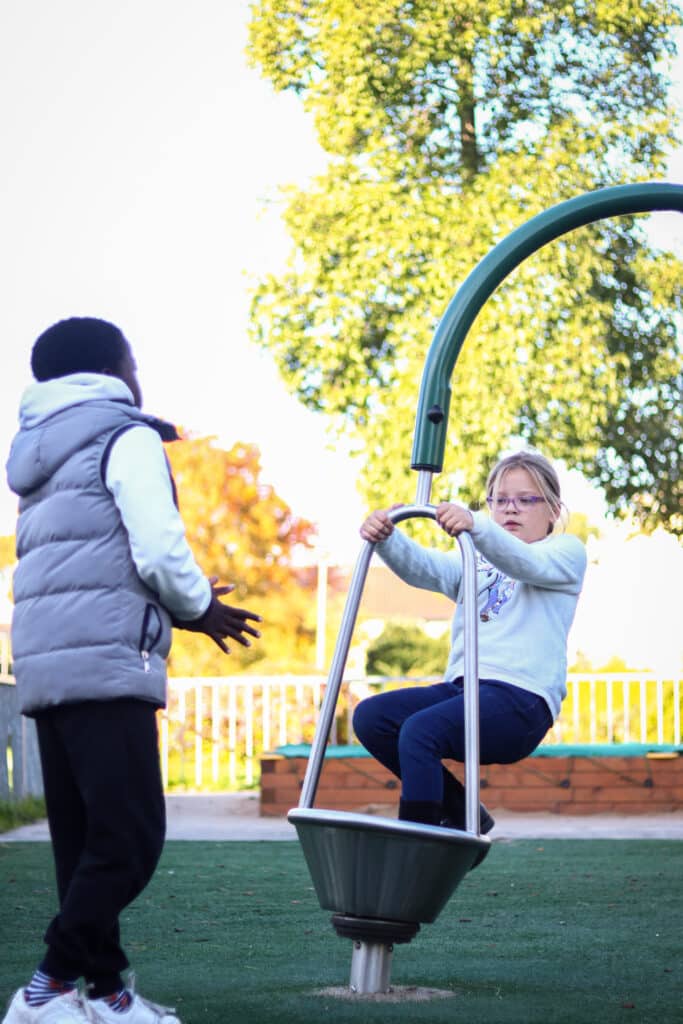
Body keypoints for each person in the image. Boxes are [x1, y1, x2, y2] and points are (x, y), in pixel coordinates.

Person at [2, 317, 262, 1024]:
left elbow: (86, 554)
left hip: (46, 662)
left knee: (81, 844)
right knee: (130, 837)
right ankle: (46, 989)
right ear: (117, 368)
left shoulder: (39, 451)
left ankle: (108, 994)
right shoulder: (126, 434)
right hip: (107, 658)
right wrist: (200, 606)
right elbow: (154, 544)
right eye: (134, 362)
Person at [353, 449, 587, 833]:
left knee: (420, 731)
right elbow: (425, 568)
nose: (511, 510)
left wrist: (476, 525)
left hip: (521, 700)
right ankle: (463, 812)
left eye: (526, 500)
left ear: (553, 511)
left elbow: (524, 564)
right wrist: (388, 539)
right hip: (466, 689)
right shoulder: (474, 558)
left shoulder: (564, 553)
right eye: (500, 500)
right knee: (374, 719)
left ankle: (419, 847)